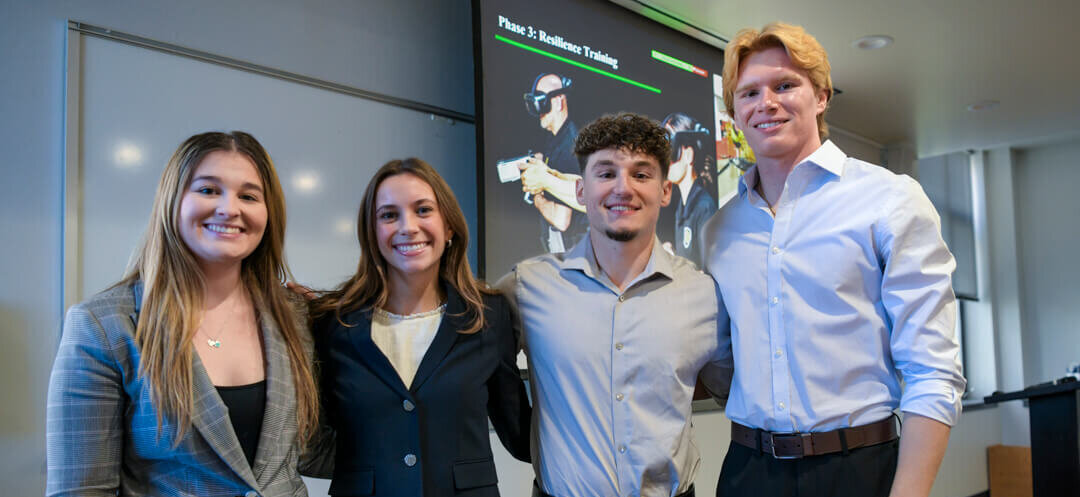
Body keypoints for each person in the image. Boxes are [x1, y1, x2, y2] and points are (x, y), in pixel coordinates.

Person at [702, 22, 966, 497]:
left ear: (821, 96)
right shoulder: (720, 228)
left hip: (859, 469)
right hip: (747, 472)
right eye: (749, 93)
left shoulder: (889, 200)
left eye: (785, 85)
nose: (767, 103)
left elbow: (933, 370)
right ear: (734, 112)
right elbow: (723, 361)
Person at [46, 131, 321, 497]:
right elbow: (81, 490)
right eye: (208, 190)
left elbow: (318, 451)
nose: (229, 208)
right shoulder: (104, 325)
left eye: (249, 196)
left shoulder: (294, 315)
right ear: (173, 200)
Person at [497, 113, 732, 497]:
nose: (623, 188)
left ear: (666, 191)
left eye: (641, 175)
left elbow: (727, 388)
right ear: (579, 191)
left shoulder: (704, 294)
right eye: (606, 174)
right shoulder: (527, 287)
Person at [307, 158, 530, 496]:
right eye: (389, 215)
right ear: (372, 232)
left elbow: (521, 435)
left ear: (449, 226)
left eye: (423, 210)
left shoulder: (490, 316)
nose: (407, 226)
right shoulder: (331, 322)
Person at [519, 72, 588, 253]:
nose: (539, 110)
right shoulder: (555, 138)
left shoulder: (570, 145)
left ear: (558, 102)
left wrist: (537, 195)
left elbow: (561, 220)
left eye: (542, 102)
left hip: (573, 255)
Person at [661, 112, 717, 267]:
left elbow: (708, 272)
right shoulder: (682, 207)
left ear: (688, 155)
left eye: (670, 152)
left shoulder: (704, 207)